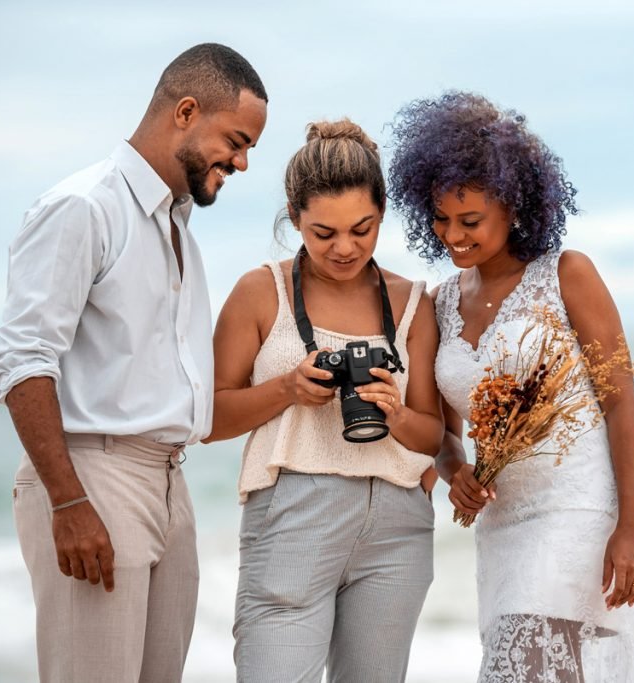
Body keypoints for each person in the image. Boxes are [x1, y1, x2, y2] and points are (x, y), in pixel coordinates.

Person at [0, 43, 268, 683]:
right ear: (186, 111)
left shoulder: (179, 234)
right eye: (237, 140)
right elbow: (23, 362)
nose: (243, 162)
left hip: (169, 481)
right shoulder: (84, 207)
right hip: (95, 477)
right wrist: (67, 502)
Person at [387, 91, 634, 682]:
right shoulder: (439, 304)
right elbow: (446, 432)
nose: (452, 235)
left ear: (513, 207)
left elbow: (621, 407)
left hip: (576, 514)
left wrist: (632, 529)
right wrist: (456, 470)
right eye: (439, 218)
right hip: (502, 527)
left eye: (470, 221)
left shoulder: (568, 276)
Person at [205, 118, 442, 683]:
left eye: (362, 229)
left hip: (397, 523)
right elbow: (208, 419)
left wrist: (396, 411)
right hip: (292, 512)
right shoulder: (260, 291)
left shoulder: (413, 303)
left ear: (382, 213)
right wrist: (288, 389)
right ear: (294, 220)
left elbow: (434, 436)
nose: (344, 248)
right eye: (322, 233)